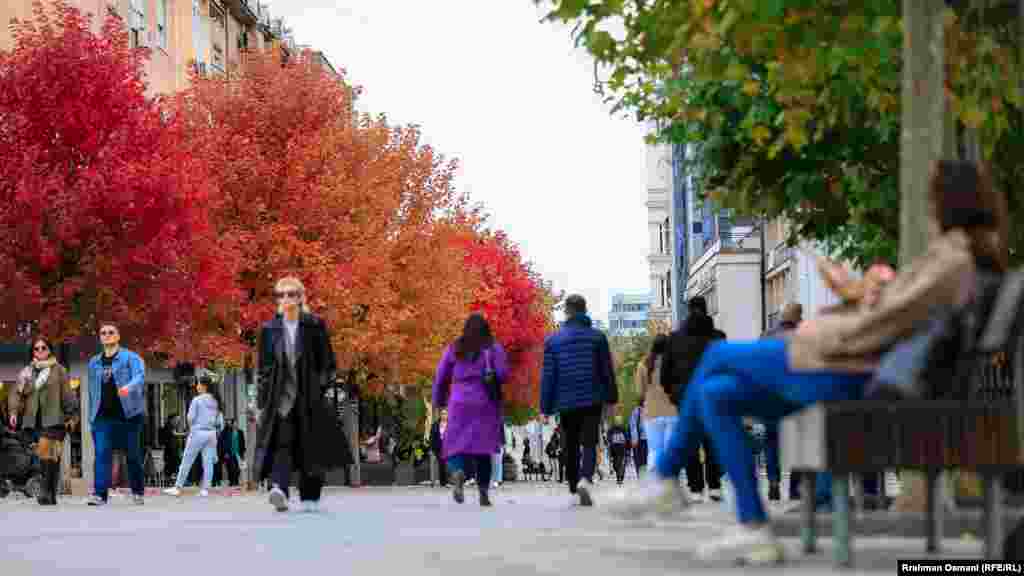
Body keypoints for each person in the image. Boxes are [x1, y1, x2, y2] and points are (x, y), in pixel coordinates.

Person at [608, 160, 1006, 564]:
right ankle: (752, 527)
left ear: (949, 203)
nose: (929, 210)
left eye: (932, 200)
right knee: (716, 394)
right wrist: (857, 291)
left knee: (716, 356)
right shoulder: (962, 259)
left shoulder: (952, 260)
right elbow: (897, 313)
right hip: (860, 371)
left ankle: (665, 479)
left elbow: (887, 319)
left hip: (848, 373)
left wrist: (827, 329)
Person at [252, 276, 353, 513]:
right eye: (281, 295)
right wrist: (261, 401)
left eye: (291, 294)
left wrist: (323, 390)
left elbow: (327, 362)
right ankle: (279, 489)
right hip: (280, 397)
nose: (285, 299)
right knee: (282, 444)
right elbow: (264, 368)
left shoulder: (314, 326)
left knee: (311, 444)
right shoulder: (269, 329)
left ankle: (310, 496)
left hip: (310, 396)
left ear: (300, 297)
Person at [540, 294, 618, 506]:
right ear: (585, 311)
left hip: (565, 400)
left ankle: (574, 486)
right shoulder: (597, 337)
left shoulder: (553, 340)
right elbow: (606, 371)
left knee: (570, 443)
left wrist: (545, 407)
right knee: (590, 441)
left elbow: (548, 375)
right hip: (592, 397)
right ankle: (586, 478)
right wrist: (612, 397)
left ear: (566, 311)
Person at [432, 313, 508, 506]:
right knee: (483, 448)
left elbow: (441, 377)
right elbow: (502, 374)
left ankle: (457, 472)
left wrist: (438, 401)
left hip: (459, 402)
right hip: (485, 403)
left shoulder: (455, 348)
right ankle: (483, 493)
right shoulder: (493, 348)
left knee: (455, 443)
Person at [662, 298, 724, 502]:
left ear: (688, 312)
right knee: (713, 440)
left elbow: (665, 373)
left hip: (685, 396)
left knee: (690, 440)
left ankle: (695, 488)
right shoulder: (718, 337)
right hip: (712, 393)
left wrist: (672, 392)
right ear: (707, 311)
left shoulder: (674, 339)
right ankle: (714, 485)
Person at [87, 322, 147, 507]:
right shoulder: (94, 362)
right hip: (102, 416)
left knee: (132, 455)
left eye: (111, 332)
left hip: (128, 415)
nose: (107, 335)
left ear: (118, 336)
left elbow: (140, 376)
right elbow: (92, 390)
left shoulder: (130, 358)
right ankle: (100, 494)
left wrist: (128, 387)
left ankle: (137, 491)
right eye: (103, 333)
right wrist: (92, 415)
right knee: (102, 453)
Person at [11, 338, 76, 505]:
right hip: (33, 421)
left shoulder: (59, 370)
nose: (40, 351)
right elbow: (16, 394)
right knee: (49, 457)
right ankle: (50, 494)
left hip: (54, 419)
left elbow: (67, 394)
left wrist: (71, 415)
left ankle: (46, 492)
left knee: (48, 452)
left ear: (50, 350)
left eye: (43, 348)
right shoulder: (27, 372)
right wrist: (13, 412)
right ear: (32, 352)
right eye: (36, 349)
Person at [164, 371, 223, 497]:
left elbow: (190, 418)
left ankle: (178, 487)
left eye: (198, 384)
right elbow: (219, 421)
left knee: (187, 459)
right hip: (211, 433)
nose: (197, 386)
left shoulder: (197, 400)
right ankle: (205, 489)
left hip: (198, 432)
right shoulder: (216, 401)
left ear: (203, 386)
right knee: (208, 462)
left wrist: (192, 428)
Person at [636, 335, 677, 473]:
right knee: (669, 450)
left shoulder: (643, 365)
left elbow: (640, 393)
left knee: (654, 449)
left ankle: (654, 480)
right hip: (673, 412)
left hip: (651, 413)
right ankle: (669, 480)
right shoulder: (674, 363)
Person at [219, 418, 246, 487]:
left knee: (238, 469)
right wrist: (225, 452)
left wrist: (243, 453)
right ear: (231, 424)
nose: (235, 424)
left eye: (236, 423)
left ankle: (236, 481)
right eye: (234, 423)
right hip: (229, 453)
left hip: (238, 453)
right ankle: (231, 481)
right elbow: (224, 443)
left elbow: (242, 443)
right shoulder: (227, 432)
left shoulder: (240, 432)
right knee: (231, 468)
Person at [159, 415, 183, 486]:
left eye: (179, 420)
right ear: (172, 419)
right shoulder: (168, 426)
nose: (178, 421)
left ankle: (171, 481)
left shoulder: (173, 427)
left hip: (173, 451)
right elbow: (174, 434)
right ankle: (169, 482)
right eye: (176, 419)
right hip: (170, 452)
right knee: (170, 467)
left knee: (173, 467)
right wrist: (185, 434)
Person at [606, 415, 629, 485]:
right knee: (615, 464)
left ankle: (620, 477)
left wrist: (627, 445)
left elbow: (627, 438)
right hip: (614, 448)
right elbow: (608, 436)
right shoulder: (612, 429)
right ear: (615, 422)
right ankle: (619, 475)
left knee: (620, 463)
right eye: (617, 421)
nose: (618, 422)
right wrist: (610, 441)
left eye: (619, 421)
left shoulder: (623, 429)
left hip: (622, 448)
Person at [429, 409, 449, 487]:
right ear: (440, 415)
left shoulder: (450, 424)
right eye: (442, 414)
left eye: (445, 414)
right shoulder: (435, 424)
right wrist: (432, 448)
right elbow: (432, 437)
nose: (444, 415)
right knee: (442, 464)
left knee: (447, 464)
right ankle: (443, 482)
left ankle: (447, 481)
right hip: (438, 447)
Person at [629, 400, 647, 478]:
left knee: (646, 459)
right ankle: (641, 475)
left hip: (648, 439)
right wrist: (635, 438)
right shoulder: (637, 411)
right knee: (639, 459)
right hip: (639, 439)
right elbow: (632, 425)